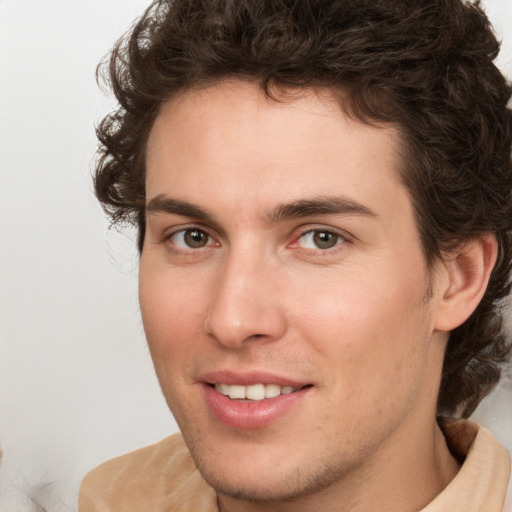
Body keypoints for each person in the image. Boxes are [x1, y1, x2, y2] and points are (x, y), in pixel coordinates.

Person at [78, 0, 512, 510]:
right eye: (193, 237)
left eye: (320, 238)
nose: (232, 320)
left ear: (458, 277)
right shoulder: (109, 499)